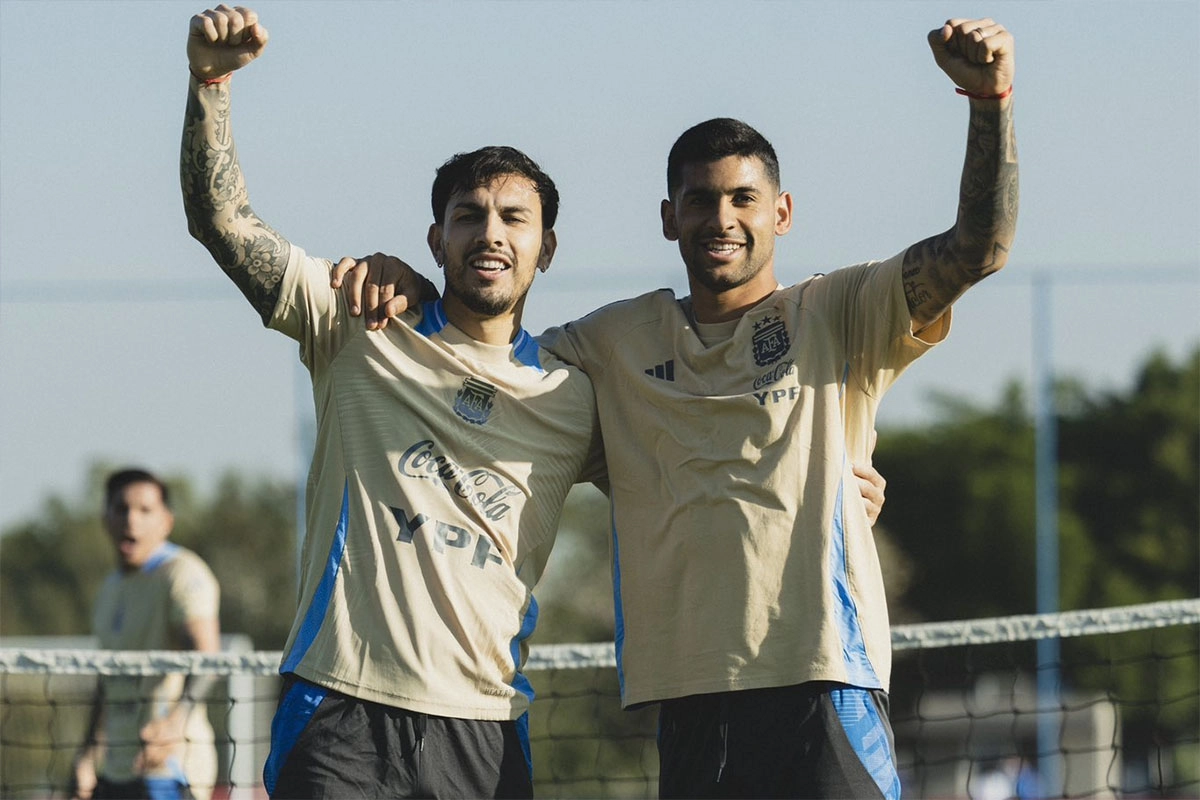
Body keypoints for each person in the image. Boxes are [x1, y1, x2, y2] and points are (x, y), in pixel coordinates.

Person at [337, 16, 1018, 799]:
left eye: (743, 199)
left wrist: (989, 102)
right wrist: (413, 285)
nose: (721, 219)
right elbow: (489, 362)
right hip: (688, 704)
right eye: (700, 200)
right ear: (670, 217)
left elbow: (979, 248)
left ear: (782, 212)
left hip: (824, 686)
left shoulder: (840, 311)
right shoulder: (610, 344)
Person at [180, 5, 608, 798]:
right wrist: (211, 81)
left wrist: (842, 470)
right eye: (468, 216)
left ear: (545, 248)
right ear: (436, 240)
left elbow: (685, 477)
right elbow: (222, 223)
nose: (491, 233)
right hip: (339, 711)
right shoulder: (356, 319)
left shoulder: (574, 395)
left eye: (514, 218)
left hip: (483, 728)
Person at [72, 469, 221, 800]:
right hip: (117, 770)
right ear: (106, 519)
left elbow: (207, 659)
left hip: (169, 767)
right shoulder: (109, 588)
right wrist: (86, 755)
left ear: (166, 521)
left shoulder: (183, 573)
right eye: (121, 508)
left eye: (145, 510)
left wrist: (175, 723)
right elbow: (106, 681)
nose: (131, 520)